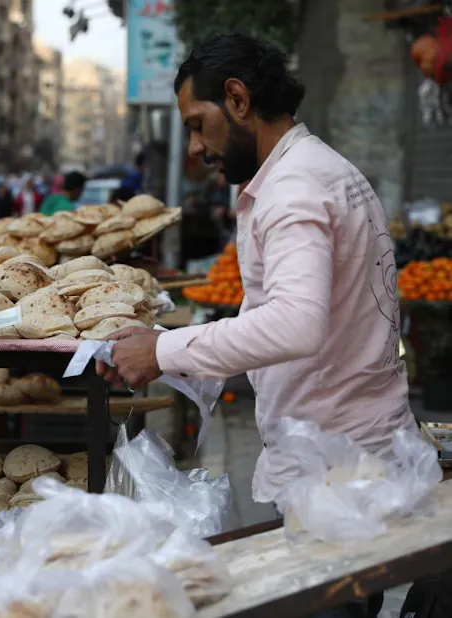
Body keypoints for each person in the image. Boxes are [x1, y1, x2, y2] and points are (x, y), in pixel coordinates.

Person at [98, 34, 410, 618]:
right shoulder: (318, 169)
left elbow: (296, 324)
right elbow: (285, 319)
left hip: (335, 473)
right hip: (345, 459)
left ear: (238, 100)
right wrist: (176, 362)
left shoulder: (293, 187)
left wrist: (164, 351)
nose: (194, 147)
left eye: (197, 123)